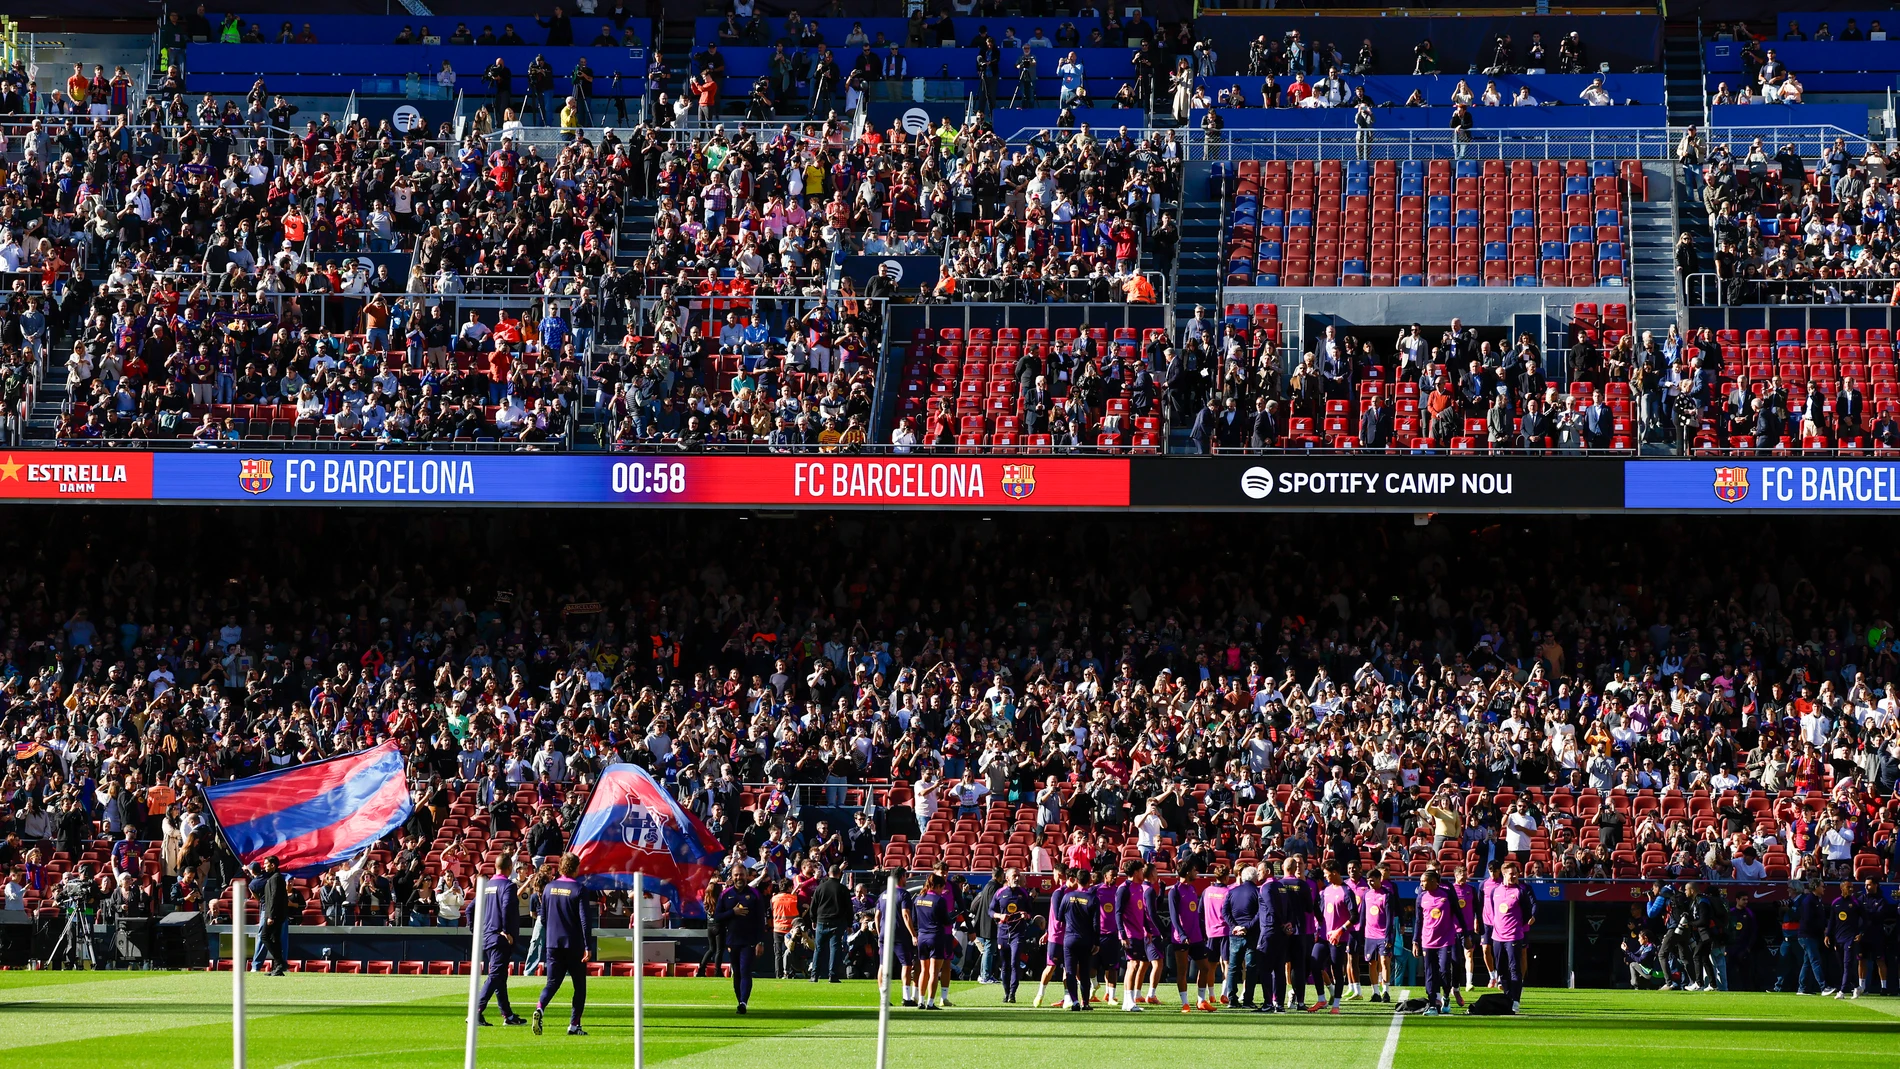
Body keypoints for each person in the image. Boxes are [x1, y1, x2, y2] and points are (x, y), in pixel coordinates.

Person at [532, 853, 593, 1036]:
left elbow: (543, 918)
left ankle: (540, 1007)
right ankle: (574, 1025)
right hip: (573, 945)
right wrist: (588, 946)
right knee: (579, 986)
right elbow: (585, 921)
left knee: (552, 983)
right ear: (576, 868)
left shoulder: (549, 888)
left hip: (553, 944)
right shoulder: (579, 889)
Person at [475, 853, 529, 1026]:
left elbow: (470, 909)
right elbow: (506, 907)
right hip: (500, 938)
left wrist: (475, 929)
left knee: (500, 976)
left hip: (487, 936)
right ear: (510, 868)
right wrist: (506, 931)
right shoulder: (508, 886)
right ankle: (476, 1011)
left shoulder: (487, 885)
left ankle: (508, 1015)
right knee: (495, 975)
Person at [715, 862, 768, 1013]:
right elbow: (717, 917)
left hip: (749, 940)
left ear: (747, 876)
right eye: (736, 875)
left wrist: (760, 941)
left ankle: (744, 1002)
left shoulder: (754, 894)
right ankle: (740, 1001)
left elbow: (761, 919)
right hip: (732, 940)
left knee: (745, 970)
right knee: (737, 973)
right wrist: (733, 912)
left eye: (742, 875)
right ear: (732, 877)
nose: (739, 877)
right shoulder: (726, 894)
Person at [1413, 867, 1466, 1014]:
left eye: (1423, 881)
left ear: (1433, 881)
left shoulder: (1447, 894)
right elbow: (1418, 921)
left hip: (1445, 940)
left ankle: (1446, 996)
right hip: (1427, 940)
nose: (1421, 884)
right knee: (1430, 973)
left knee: (1444, 971)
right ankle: (1432, 1004)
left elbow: (1458, 914)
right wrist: (1415, 941)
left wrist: (1466, 935)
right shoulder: (1421, 897)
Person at [1490, 860, 1533, 1012]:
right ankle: (1507, 997)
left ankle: (1515, 1000)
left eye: (1516, 873)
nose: (1514, 876)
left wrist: (1516, 926)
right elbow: (1493, 910)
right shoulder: (1495, 891)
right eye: (1511, 873)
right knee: (1501, 969)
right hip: (1497, 937)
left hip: (1514, 936)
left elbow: (1527, 913)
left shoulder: (1520, 892)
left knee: (1515, 969)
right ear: (1503, 874)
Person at [990, 867, 1034, 1003]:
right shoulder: (999, 892)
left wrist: (1026, 915)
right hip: (1003, 933)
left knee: (1015, 962)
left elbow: (1030, 911)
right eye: (1014, 875)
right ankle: (1006, 992)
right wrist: (1000, 916)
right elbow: (990, 911)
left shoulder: (1023, 893)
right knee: (1005, 965)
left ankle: (1012, 994)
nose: (1017, 878)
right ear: (1007, 878)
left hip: (1018, 933)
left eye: (1019, 875)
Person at [248, 856, 290, 977]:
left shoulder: (275, 878)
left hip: (273, 914)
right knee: (275, 939)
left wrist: (271, 916)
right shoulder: (273, 877)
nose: (264, 866)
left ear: (273, 865)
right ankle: (278, 967)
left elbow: (273, 897)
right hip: (276, 913)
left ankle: (280, 962)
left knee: (265, 936)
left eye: (266, 864)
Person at [809, 864, 851, 983]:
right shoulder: (843, 889)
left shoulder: (820, 888)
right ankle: (833, 975)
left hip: (822, 921)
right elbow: (848, 908)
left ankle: (814, 975)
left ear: (828, 873)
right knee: (835, 948)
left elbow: (813, 906)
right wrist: (849, 924)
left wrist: (813, 920)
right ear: (839, 874)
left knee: (818, 949)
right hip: (837, 922)